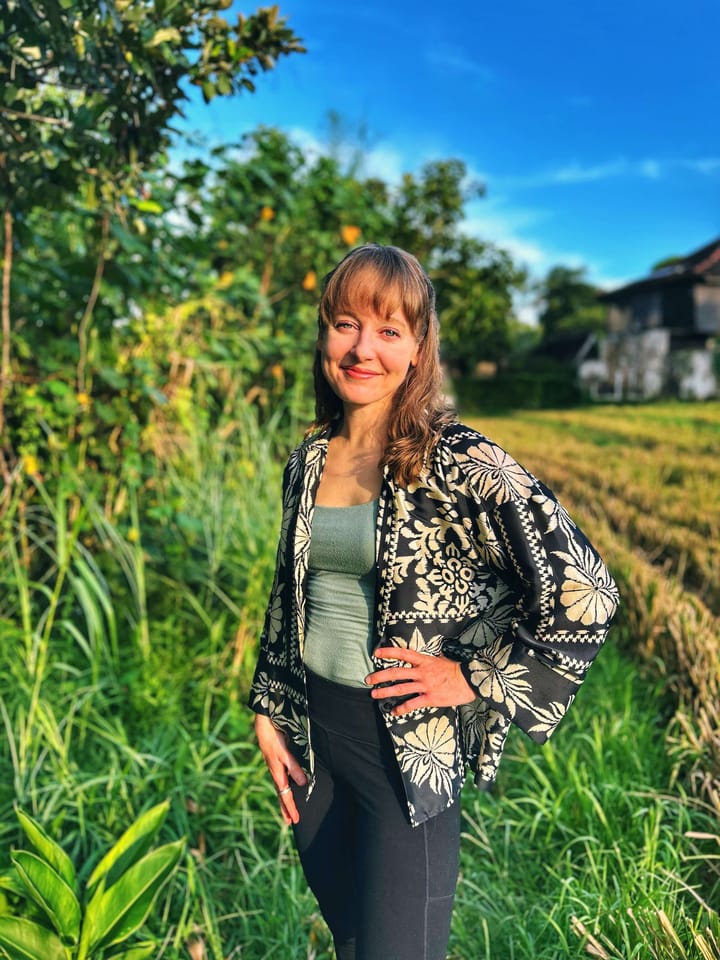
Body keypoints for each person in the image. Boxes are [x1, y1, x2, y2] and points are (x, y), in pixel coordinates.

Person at [249, 243, 619, 960]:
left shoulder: (456, 459)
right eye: (346, 323)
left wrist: (473, 677)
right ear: (324, 333)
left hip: (403, 753)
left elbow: (586, 590)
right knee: (352, 940)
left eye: (389, 331)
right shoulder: (309, 459)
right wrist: (269, 706)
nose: (363, 349)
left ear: (418, 350)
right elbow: (287, 594)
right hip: (316, 743)